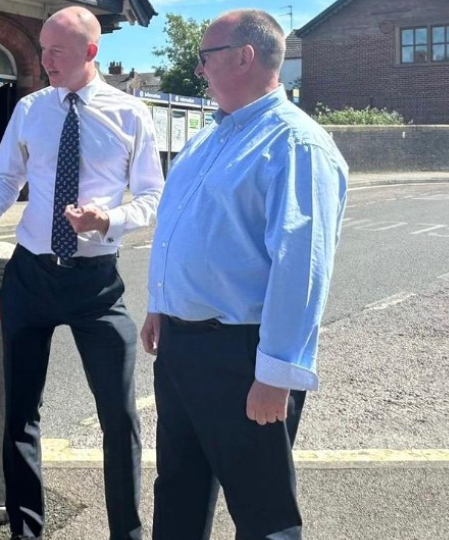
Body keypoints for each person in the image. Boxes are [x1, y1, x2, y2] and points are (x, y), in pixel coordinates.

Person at [141, 9, 348, 540]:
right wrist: (160, 304)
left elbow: (301, 268)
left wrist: (276, 374)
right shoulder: (208, 138)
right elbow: (183, 230)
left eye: (206, 57)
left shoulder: (295, 144)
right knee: (179, 490)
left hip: (242, 355)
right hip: (183, 350)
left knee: (262, 511)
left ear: (243, 57)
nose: (199, 69)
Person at [0, 6, 163, 540]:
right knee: (20, 415)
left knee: (119, 418)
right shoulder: (31, 109)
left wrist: (110, 219)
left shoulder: (130, 114)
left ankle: (127, 532)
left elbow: (151, 197)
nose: (44, 58)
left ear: (90, 53)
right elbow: (7, 175)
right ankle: (26, 532)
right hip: (30, 275)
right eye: (43, 48)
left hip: (96, 284)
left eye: (57, 50)